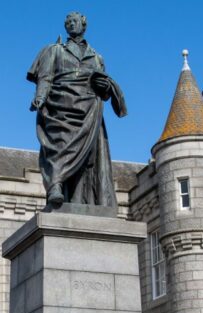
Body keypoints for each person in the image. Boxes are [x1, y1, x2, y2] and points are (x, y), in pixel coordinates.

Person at [27, 11, 126, 209]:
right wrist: (40, 98)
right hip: (61, 107)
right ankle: (56, 185)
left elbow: (104, 89)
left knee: (87, 159)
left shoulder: (97, 57)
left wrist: (105, 87)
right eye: (68, 22)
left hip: (89, 109)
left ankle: (81, 198)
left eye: (75, 21)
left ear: (83, 25)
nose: (71, 25)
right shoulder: (54, 50)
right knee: (59, 145)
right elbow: (45, 77)